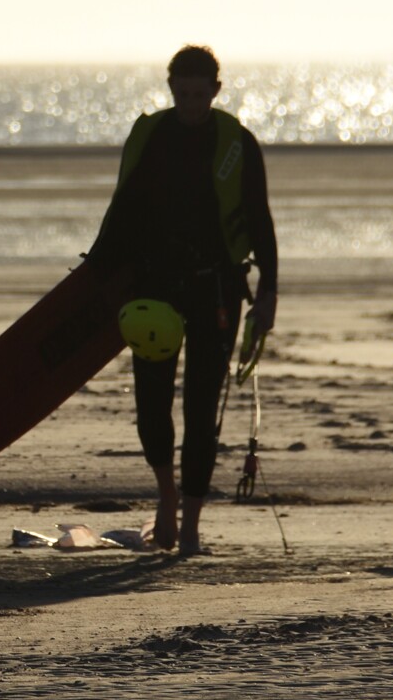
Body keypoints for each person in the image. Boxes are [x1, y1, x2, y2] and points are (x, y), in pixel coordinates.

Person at [87, 45, 279, 555]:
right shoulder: (151, 137)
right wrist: (95, 276)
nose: (192, 103)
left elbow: (260, 221)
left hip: (215, 289)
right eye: (183, 93)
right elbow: (121, 209)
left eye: (201, 94)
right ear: (170, 87)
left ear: (216, 90)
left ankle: (190, 526)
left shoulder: (237, 143)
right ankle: (166, 497)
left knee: (201, 407)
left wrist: (269, 292)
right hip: (155, 289)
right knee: (151, 404)